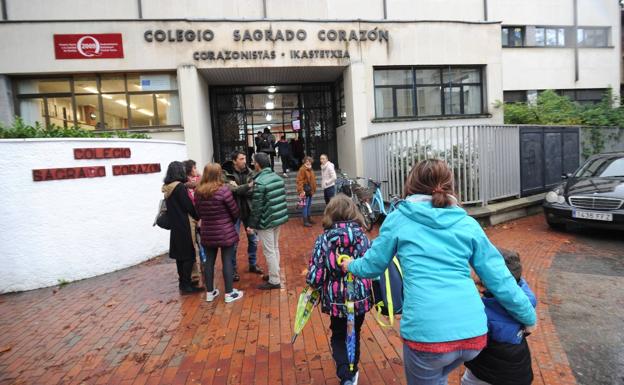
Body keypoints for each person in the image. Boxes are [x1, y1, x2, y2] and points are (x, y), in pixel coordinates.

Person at [341, 159, 537, 385]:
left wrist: (350, 266)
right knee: (440, 373)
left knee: (432, 373)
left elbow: (371, 266)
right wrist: (528, 316)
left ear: (411, 184)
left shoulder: (399, 219)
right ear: (449, 186)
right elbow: (500, 278)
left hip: (427, 336)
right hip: (473, 335)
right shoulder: (467, 223)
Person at [306, 194, 373, 385]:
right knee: (355, 333)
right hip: (359, 297)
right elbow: (370, 266)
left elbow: (315, 276)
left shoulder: (324, 240)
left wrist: (312, 283)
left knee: (338, 334)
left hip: (336, 299)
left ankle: (345, 374)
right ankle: (353, 370)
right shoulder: (363, 237)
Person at [462, 248, 537, 385]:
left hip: (490, 373)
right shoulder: (525, 296)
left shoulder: (486, 312)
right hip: (519, 368)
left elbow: (467, 343)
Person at [194, 163, 244, 303]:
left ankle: (210, 292)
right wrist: (230, 221)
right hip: (225, 231)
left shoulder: (198, 191)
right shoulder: (223, 190)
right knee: (226, 260)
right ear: (218, 174)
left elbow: (198, 212)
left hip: (207, 231)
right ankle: (229, 293)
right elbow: (234, 211)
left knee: (209, 261)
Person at [247, 152, 289, 290]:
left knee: (269, 250)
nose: (253, 164)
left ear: (258, 165)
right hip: (277, 218)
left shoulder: (260, 182)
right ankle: (273, 273)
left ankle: (274, 280)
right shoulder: (276, 177)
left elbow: (257, 207)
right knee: (274, 248)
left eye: (254, 162)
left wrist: (251, 225)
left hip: (266, 221)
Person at [222, 151, 264, 282]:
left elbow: (253, 191)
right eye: (241, 159)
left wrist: (239, 189)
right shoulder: (226, 173)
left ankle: (252, 263)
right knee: (233, 243)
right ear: (234, 161)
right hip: (233, 213)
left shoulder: (250, 172)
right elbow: (229, 190)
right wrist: (246, 187)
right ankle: (233, 269)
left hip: (248, 211)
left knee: (253, 240)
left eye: (245, 158)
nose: (244, 161)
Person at [161, 161, 202, 294]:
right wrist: (198, 217)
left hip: (175, 225)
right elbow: (188, 206)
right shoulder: (179, 187)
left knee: (180, 256)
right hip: (185, 225)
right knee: (189, 256)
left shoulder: (168, 187)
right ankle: (186, 285)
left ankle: (183, 283)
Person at [183, 159, 202, 286]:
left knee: (204, 244)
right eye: (194, 168)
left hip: (202, 216)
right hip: (190, 217)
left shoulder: (201, 180)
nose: (196, 170)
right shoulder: (183, 184)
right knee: (192, 245)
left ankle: (206, 268)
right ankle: (195, 273)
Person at [296, 156, 317, 227]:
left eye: (309, 161)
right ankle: (305, 221)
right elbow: (299, 181)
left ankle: (309, 218)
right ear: (304, 161)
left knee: (309, 205)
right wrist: (301, 191)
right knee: (305, 205)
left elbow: (313, 180)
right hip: (305, 190)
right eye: (307, 161)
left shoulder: (310, 168)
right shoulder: (302, 169)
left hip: (310, 190)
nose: (308, 162)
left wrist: (313, 189)